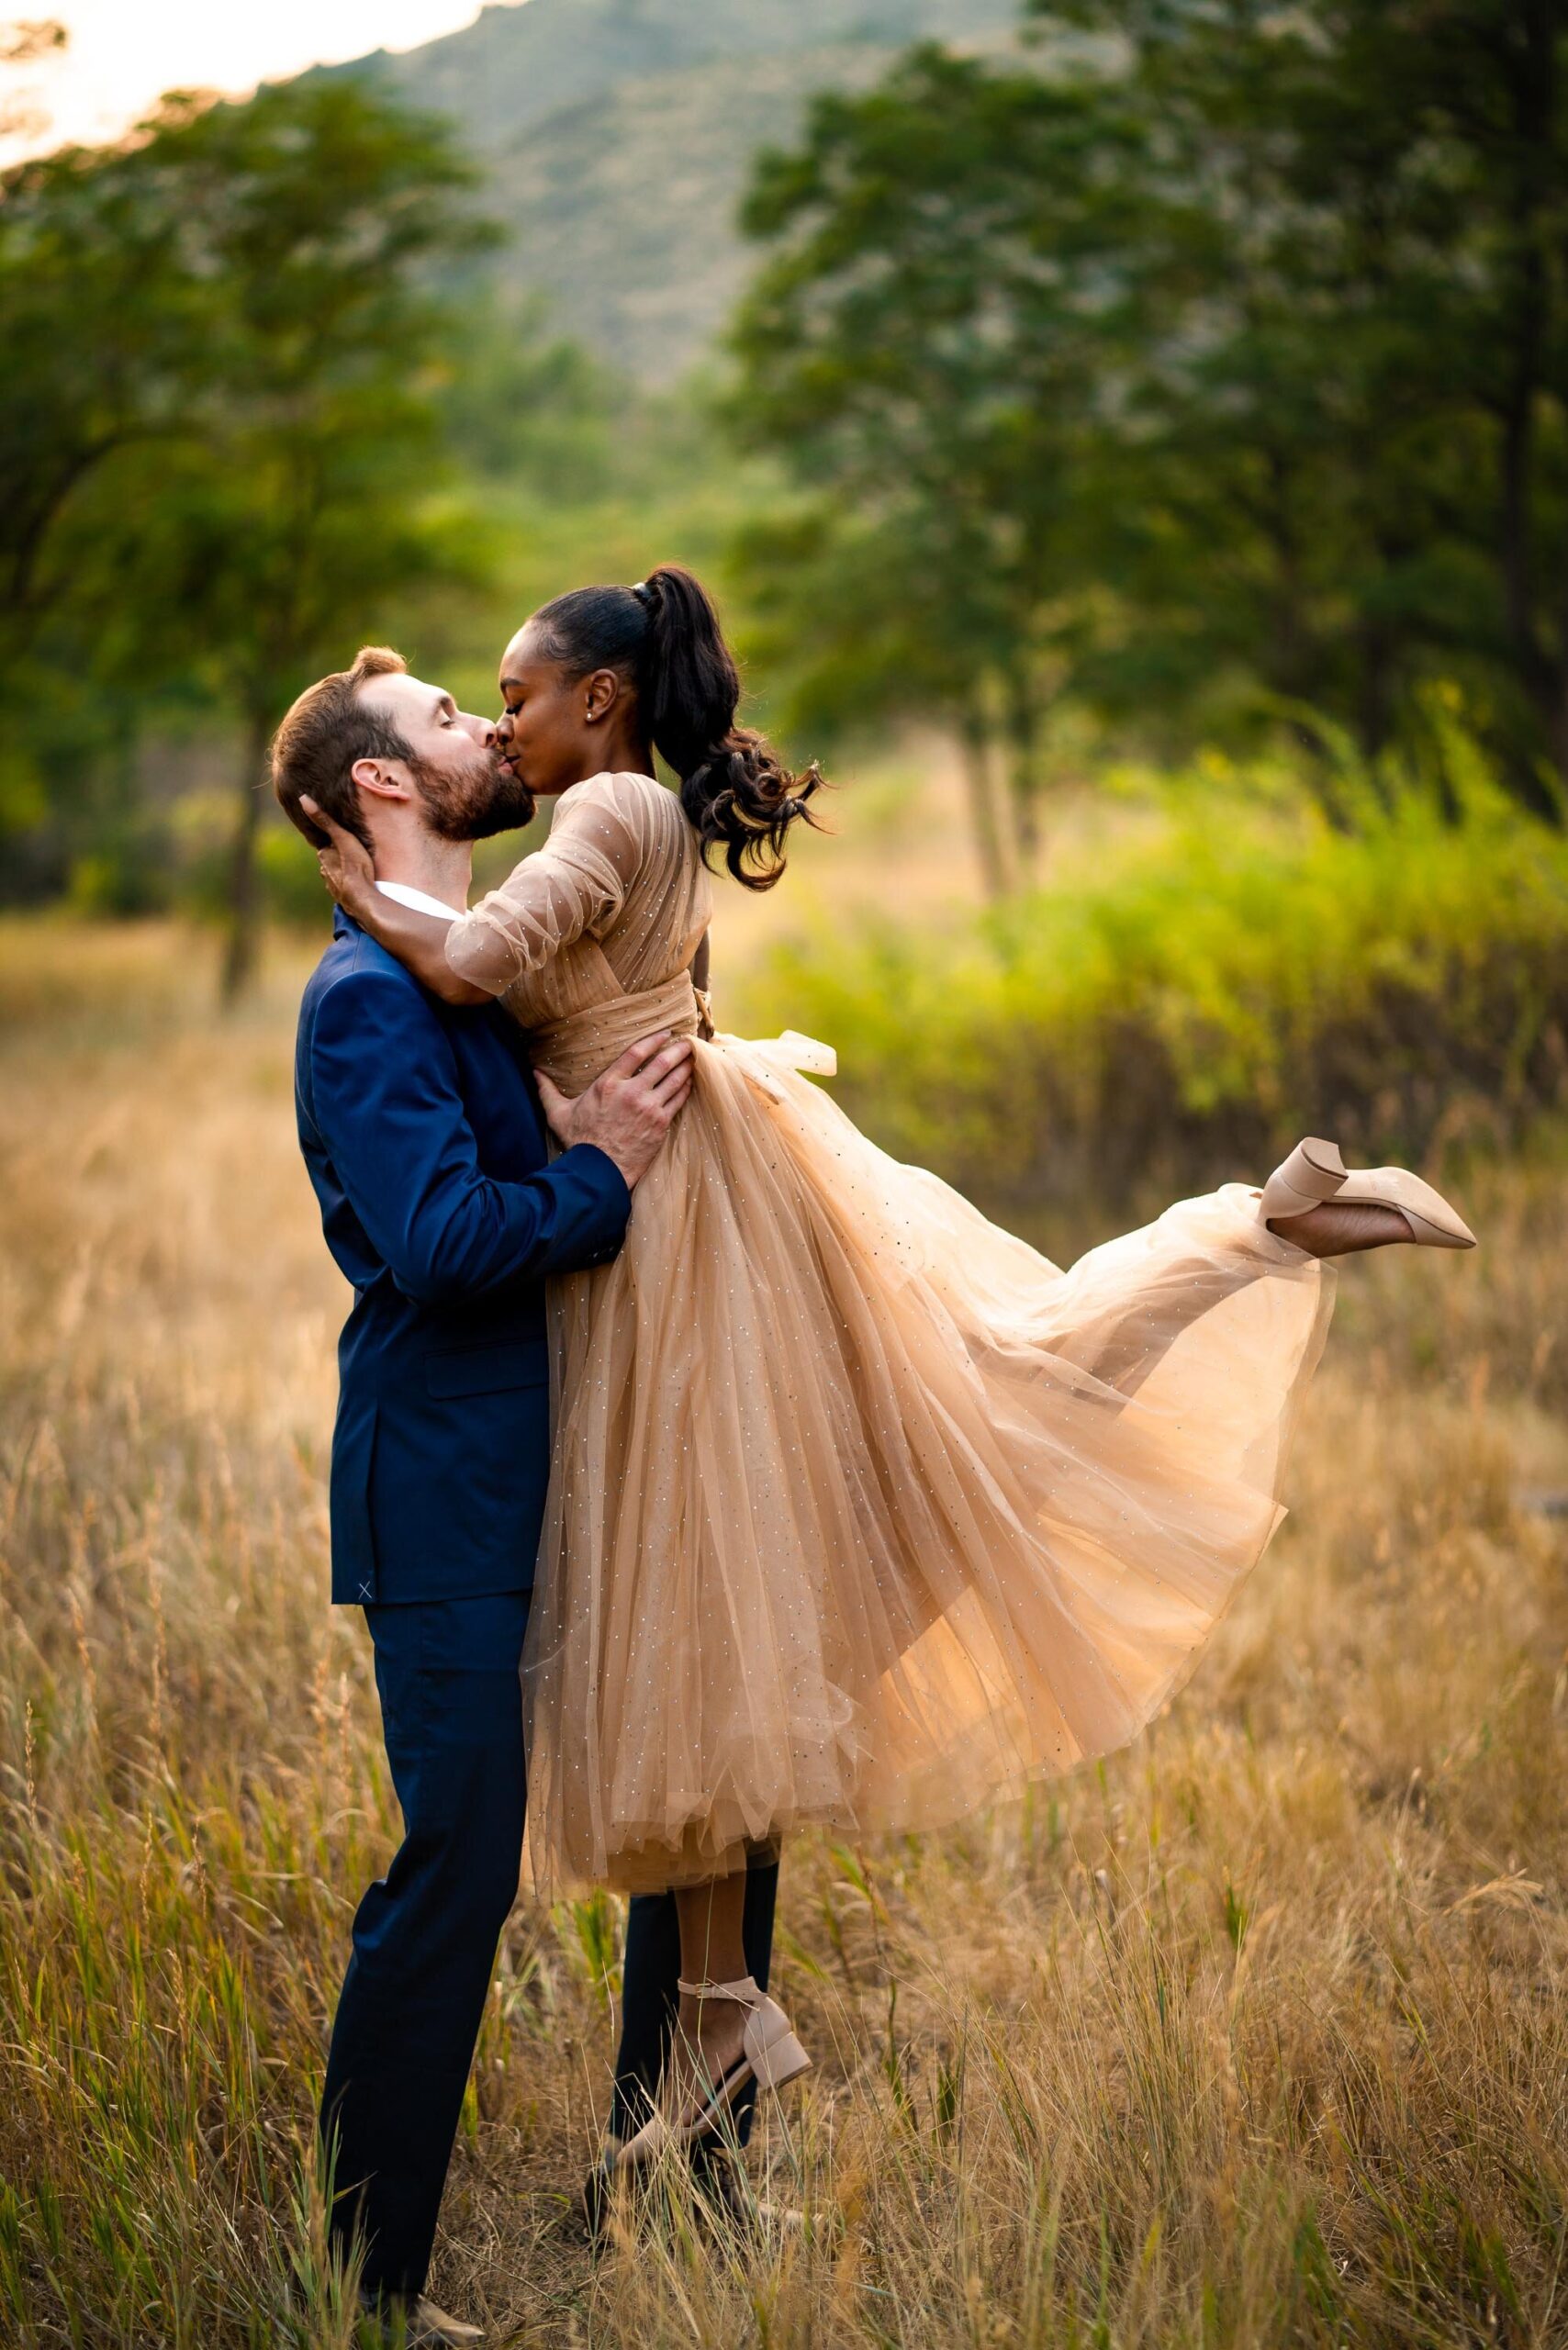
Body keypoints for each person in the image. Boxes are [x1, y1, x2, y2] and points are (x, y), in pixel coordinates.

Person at [307, 565, 1476, 2184]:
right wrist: (576, 1105)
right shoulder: (613, 822)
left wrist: (355, 886)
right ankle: (708, 2053)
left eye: (508, 695)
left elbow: (474, 962)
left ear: (603, 700)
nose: (494, 719)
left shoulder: (601, 823)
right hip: (674, 1199)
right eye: (466, 707)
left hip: (685, 1230)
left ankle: (709, 2044)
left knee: (843, 1528)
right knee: (798, 1565)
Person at [274, 651, 711, 2345]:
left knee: (701, 1795)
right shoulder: (361, 1002)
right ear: (385, 787)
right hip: (450, 1492)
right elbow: (446, 1246)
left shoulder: (478, 982)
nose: (484, 728)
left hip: (582, 1464)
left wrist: (594, 1113)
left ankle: (686, 2188)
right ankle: (363, 2290)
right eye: (451, 717)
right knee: (458, 1867)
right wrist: (599, 1165)